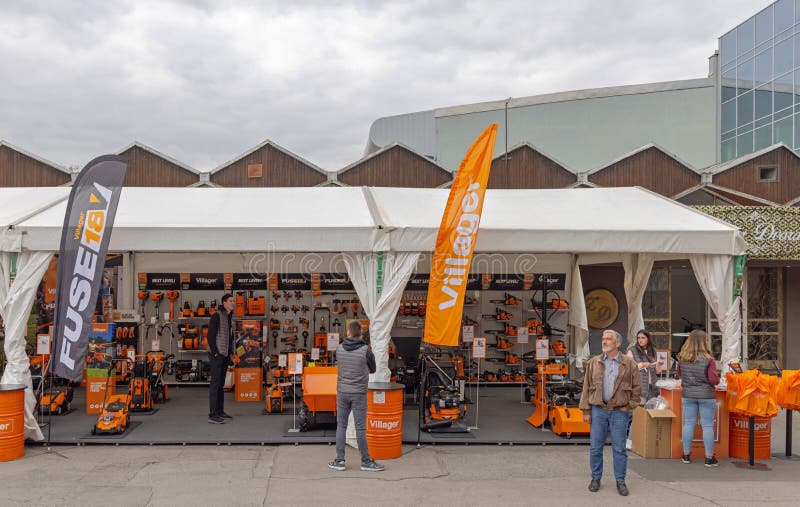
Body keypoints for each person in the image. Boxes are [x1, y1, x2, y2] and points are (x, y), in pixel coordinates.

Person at [579, 329, 641, 497]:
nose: (604, 341)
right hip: (598, 411)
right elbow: (586, 387)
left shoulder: (629, 363)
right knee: (595, 448)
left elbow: (637, 388)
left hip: (619, 412)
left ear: (617, 343)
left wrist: (629, 406)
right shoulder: (594, 362)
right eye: (604, 339)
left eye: (608, 339)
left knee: (619, 449)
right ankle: (595, 478)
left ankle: (620, 481)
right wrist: (586, 410)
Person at [327, 321, 384, 472]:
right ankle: (366, 461)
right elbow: (373, 369)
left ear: (348, 333)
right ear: (360, 334)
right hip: (359, 393)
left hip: (343, 393)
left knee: (341, 426)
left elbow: (335, 364)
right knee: (360, 428)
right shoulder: (366, 350)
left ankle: (339, 461)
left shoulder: (338, 349)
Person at [676, 329, 720, 467]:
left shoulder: (682, 358)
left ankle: (686, 455)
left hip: (688, 395)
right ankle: (708, 458)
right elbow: (714, 380)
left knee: (688, 424)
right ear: (704, 342)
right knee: (707, 426)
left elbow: (679, 374)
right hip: (706, 395)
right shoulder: (709, 360)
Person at [207, 294, 234, 424]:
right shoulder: (217, 315)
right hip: (216, 355)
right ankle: (212, 414)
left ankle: (220, 411)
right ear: (224, 303)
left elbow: (229, 338)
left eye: (233, 301)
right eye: (230, 301)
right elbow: (210, 336)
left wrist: (229, 354)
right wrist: (216, 352)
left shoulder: (228, 317)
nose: (232, 303)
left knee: (221, 385)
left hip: (224, 355)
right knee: (215, 384)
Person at [627, 329, 658, 403]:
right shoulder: (632, 350)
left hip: (653, 387)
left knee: (651, 411)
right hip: (639, 387)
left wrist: (659, 364)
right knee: (640, 411)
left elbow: (656, 371)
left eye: (643, 338)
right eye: (638, 338)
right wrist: (642, 364)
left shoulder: (653, 350)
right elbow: (628, 368)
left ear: (648, 339)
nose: (640, 340)